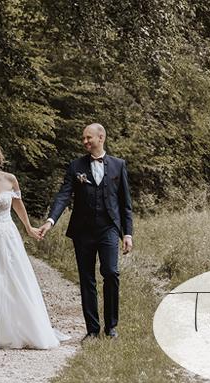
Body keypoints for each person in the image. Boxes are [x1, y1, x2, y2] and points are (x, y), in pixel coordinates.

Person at [0, 139, 68, 351]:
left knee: (12, 282)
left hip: (6, 236)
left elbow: (18, 206)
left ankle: (18, 327)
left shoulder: (10, 179)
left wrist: (28, 227)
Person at [40, 123, 133, 341]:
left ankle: (111, 327)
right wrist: (51, 221)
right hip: (83, 231)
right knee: (86, 278)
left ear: (101, 137)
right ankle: (92, 330)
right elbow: (64, 195)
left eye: (88, 138)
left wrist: (127, 234)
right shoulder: (76, 166)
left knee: (111, 273)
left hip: (109, 228)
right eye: (83, 138)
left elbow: (125, 203)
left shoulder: (118, 165)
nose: (84, 142)